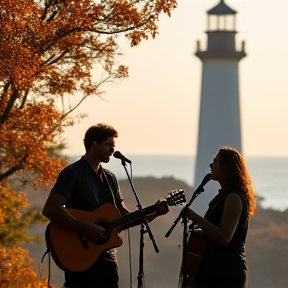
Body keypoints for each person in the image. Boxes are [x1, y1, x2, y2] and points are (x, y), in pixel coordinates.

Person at [42, 123, 169, 288]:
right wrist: (86, 227)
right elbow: (50, 209)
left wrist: (154, 213)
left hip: (108, 263)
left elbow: (124, 217)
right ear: (94, 143)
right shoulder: (72, 174)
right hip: (80, 259)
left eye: (113, 146)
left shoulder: (110, 178)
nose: (112, 150)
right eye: (109, 145)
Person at [186, 146, 256, 288]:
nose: (211, 165)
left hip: (226, 274)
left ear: (226, 168)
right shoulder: (222, 196)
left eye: (215, 161)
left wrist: (195, 217)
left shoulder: (233, 198)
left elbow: (224, 237)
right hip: (214, 271)